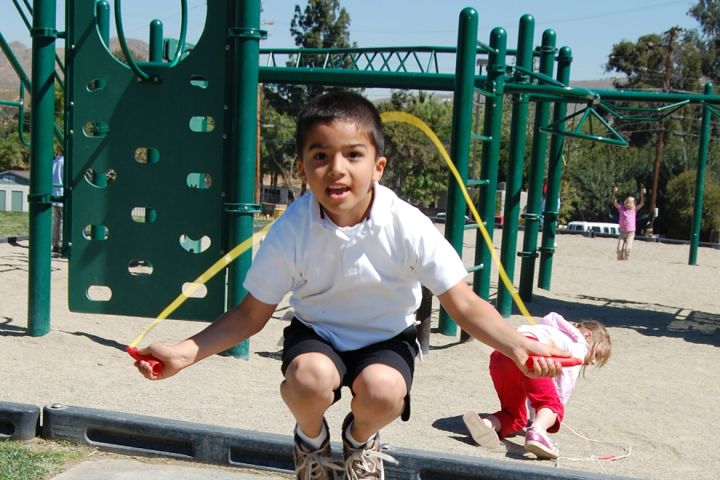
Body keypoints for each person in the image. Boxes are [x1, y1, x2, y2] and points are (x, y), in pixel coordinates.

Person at [134, 91, 569, 480]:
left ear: (378, 166)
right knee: (309, 379)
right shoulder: (293, 229)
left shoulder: (407, 225)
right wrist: (184, 353)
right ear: (304, 169)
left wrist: (517, 346)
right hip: (317, 335)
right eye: (320, 156)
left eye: (353, 155)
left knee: (382, 390)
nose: (336, 169)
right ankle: (310, 441)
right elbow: (250, 315)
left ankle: (360, 442)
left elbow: (464, 303)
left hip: (387, 338)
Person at [463, 312, 611, 460]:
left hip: (502, 355)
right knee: (553, 405)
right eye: (597, 355)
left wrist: (535, 415)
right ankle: (538, 432)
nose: (592, 362)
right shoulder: (579, 346)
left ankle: (486, 425)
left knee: (513, 415)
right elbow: (565, 382)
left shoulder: (551, 330)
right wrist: (554, 407)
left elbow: (535, 387)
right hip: (531, 357)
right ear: (586, 335)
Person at [611, 186, 645, 260]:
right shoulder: (621, 208)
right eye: (626, 201)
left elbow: (642, 203)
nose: (627, 203)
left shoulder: (634, 209)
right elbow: (614, 202)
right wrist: (614, 192)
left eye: (629, 202)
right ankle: (620, 261)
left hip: (630, 233)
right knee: (619, 249)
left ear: (633, 204)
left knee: (627, 249)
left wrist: (642, 194)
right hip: (622, 233)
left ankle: (627, 262)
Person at [51, 152, 64, 253]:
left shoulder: (54, 161)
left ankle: (56, 244)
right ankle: (62, 243)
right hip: (63, 193)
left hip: (54, 194)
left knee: (57, 221)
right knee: (64, 221)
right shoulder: (65, 162)